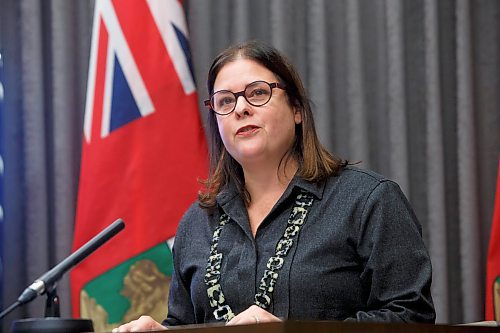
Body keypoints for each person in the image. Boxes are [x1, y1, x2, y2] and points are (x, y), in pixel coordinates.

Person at [113, 40, 435, 331]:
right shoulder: (197, 222)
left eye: (257, 93)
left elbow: (411, 316)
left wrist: (289, 331)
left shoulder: (369, 201)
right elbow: (185, 323)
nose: (241, 108)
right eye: (225, 101)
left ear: (296, 109)